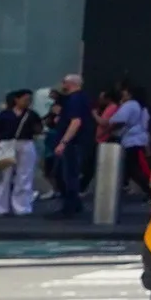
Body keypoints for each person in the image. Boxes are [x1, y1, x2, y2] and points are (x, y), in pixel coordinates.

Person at [47, 72, 93, 219]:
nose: (62, 85)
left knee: (67, 174)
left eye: (64, 82)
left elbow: (75, 122)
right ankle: (75, 204)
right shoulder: (81, 99)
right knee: (66, 173)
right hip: (76, 141)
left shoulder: (74, 100)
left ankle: (70, 207)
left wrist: (64, 142)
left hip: (72, 143)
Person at [0, 89, 40, 217]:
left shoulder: (32, 114)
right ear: (16, 100)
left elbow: (38, 129)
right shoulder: (5, 114)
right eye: (26, 99)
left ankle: (22, 207)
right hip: (6, 143)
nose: (28, 102)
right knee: (4, 176)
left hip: (25, 142)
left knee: (25, 174)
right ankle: (0, 207)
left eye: (29, 100)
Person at [106, 79, 151, 198]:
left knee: (135, 168)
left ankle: (150, 190)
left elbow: (119, 120)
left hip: (131, 141)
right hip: (139, 140)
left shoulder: (130, 105)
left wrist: (109, 129)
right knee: (134, 167)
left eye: (125, 93)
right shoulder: (143, 107)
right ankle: (147, 189)